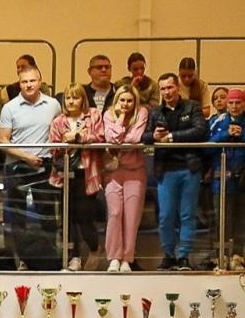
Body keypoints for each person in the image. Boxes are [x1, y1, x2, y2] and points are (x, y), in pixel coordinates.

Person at [0, 67, 63, 269]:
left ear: (40, 81)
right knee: (19, 218)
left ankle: (51, 259)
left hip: (45, 165)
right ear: (19, 84)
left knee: (47, 216)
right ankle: (24, 260)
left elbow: (60, 132)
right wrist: (26, 157)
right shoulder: (9, 107)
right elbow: (2, 140)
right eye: (24, 81)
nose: (28, 85)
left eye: (32, 80)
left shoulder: (53, 105)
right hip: (17, 167)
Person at [145, 72, 209, 271]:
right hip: (165, 170)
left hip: (189, 169)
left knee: (187, 215)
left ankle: (183, 256)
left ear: (177, 88)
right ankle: (169, 255)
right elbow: (144, 136)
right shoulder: (155, 112)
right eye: (163, 88)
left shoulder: (192, 106)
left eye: (170, 87)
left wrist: (171, 137)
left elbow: (200, 131)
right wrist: (153, 135)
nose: (166, 92)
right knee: (165, 216)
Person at [49, 86, 105, 271]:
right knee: (67, 217)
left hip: (87, 173)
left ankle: (94, 248)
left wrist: (80, 136)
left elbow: (100, 137)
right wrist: (66, 141)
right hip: (65, 174)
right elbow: (53, 147)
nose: (71, 101)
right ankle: (74, 258)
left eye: (75, 98)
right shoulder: (58, 121)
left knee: (84, 216)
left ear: (83, 99)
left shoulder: (94, 115)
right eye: (68, 98)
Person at [102, 86, 149, 272]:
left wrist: (121, 137)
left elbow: (135, 137)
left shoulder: (142, 113)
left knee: (131, 216)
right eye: (122, 100)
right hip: (113, 171)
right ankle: (114, 257)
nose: (126, 104)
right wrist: (120, 119)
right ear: (116, 100)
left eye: (129, 101)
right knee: (114, 213)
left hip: (135, 172)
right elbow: (111, 138)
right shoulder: (108, 114)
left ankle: (127, 259)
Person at [209, 89, 245, 270]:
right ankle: (220, 256)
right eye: (231, 103)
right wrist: (226, 135)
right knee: (221, 220)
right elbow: (206, 147)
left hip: (242, 181)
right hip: (221, 179)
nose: (234, 106)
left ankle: (238, 256)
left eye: (238, 103)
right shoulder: (218, 121)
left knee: (241, 220)